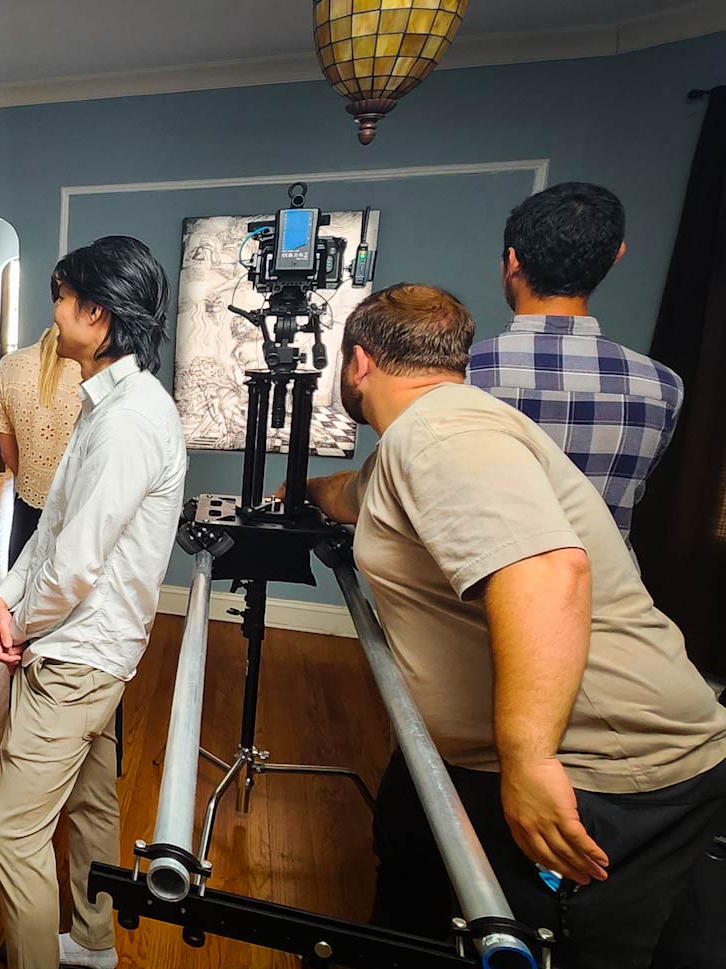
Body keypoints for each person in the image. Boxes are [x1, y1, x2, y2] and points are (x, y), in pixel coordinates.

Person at [300, 283, 726, 968]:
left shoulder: (442, 433)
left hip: (602, 770)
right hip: (481, 750)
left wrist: (531, 757)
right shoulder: (413, 441)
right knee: (407, 835)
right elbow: (349, 493)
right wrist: (298, 490)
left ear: (358, 363)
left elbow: (547, 569)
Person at [0, 237, 186, 969]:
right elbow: (51, 515)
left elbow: (73, 565)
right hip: (86, 650)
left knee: (10, 831)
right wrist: (4, 596)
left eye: (61, 301)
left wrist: (21, 623)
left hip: (77, 657)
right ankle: (95, 942)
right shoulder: (105, 405)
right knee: (92, 803)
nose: (53, 317)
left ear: (96, 315)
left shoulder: (130, 419)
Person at [467, 182, 684, 539]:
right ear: (616, 256)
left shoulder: (458, 373)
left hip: (481, 592)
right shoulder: (662, 387)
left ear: (513, 260)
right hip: (603, 591)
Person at [0, 325, 83, 566]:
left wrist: (30, 477)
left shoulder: (11, 365)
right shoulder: (93, 372)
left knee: (19, 587)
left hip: (28, 500)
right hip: (78, 504)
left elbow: (7, 454)